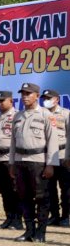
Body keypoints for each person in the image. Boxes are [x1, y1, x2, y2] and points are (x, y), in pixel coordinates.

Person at [10, 83, 60, 243]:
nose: (25, 96)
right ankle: (29, 230)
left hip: (38, 161)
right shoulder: (18, 116)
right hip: (20, 161)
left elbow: (53, 140)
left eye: (28, 93)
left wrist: (51, 164)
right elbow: (13, 142)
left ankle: (41, 232)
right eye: (23, 93)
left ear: (37, 96)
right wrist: (12, 163)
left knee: (41, 197)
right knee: (24, 197)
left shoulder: (46, 115)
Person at [0, 90, 22, 230]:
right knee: (3, 190)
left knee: (14, 190)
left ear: (11, 101)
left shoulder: (17, 116)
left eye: (3, 100)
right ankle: (9, 217)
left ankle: (17, 220)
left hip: (10, 158)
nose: (0, 103)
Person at [42, 89, 70, 226]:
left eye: (49, 98)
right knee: (49, 189)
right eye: (44, 98)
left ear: (56, 99)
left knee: (67, 189)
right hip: (46, 157)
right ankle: (54, 215)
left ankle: (66, 217)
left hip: (62, 155)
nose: (46, 100)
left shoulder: (66, 114)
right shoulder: (42, 114)